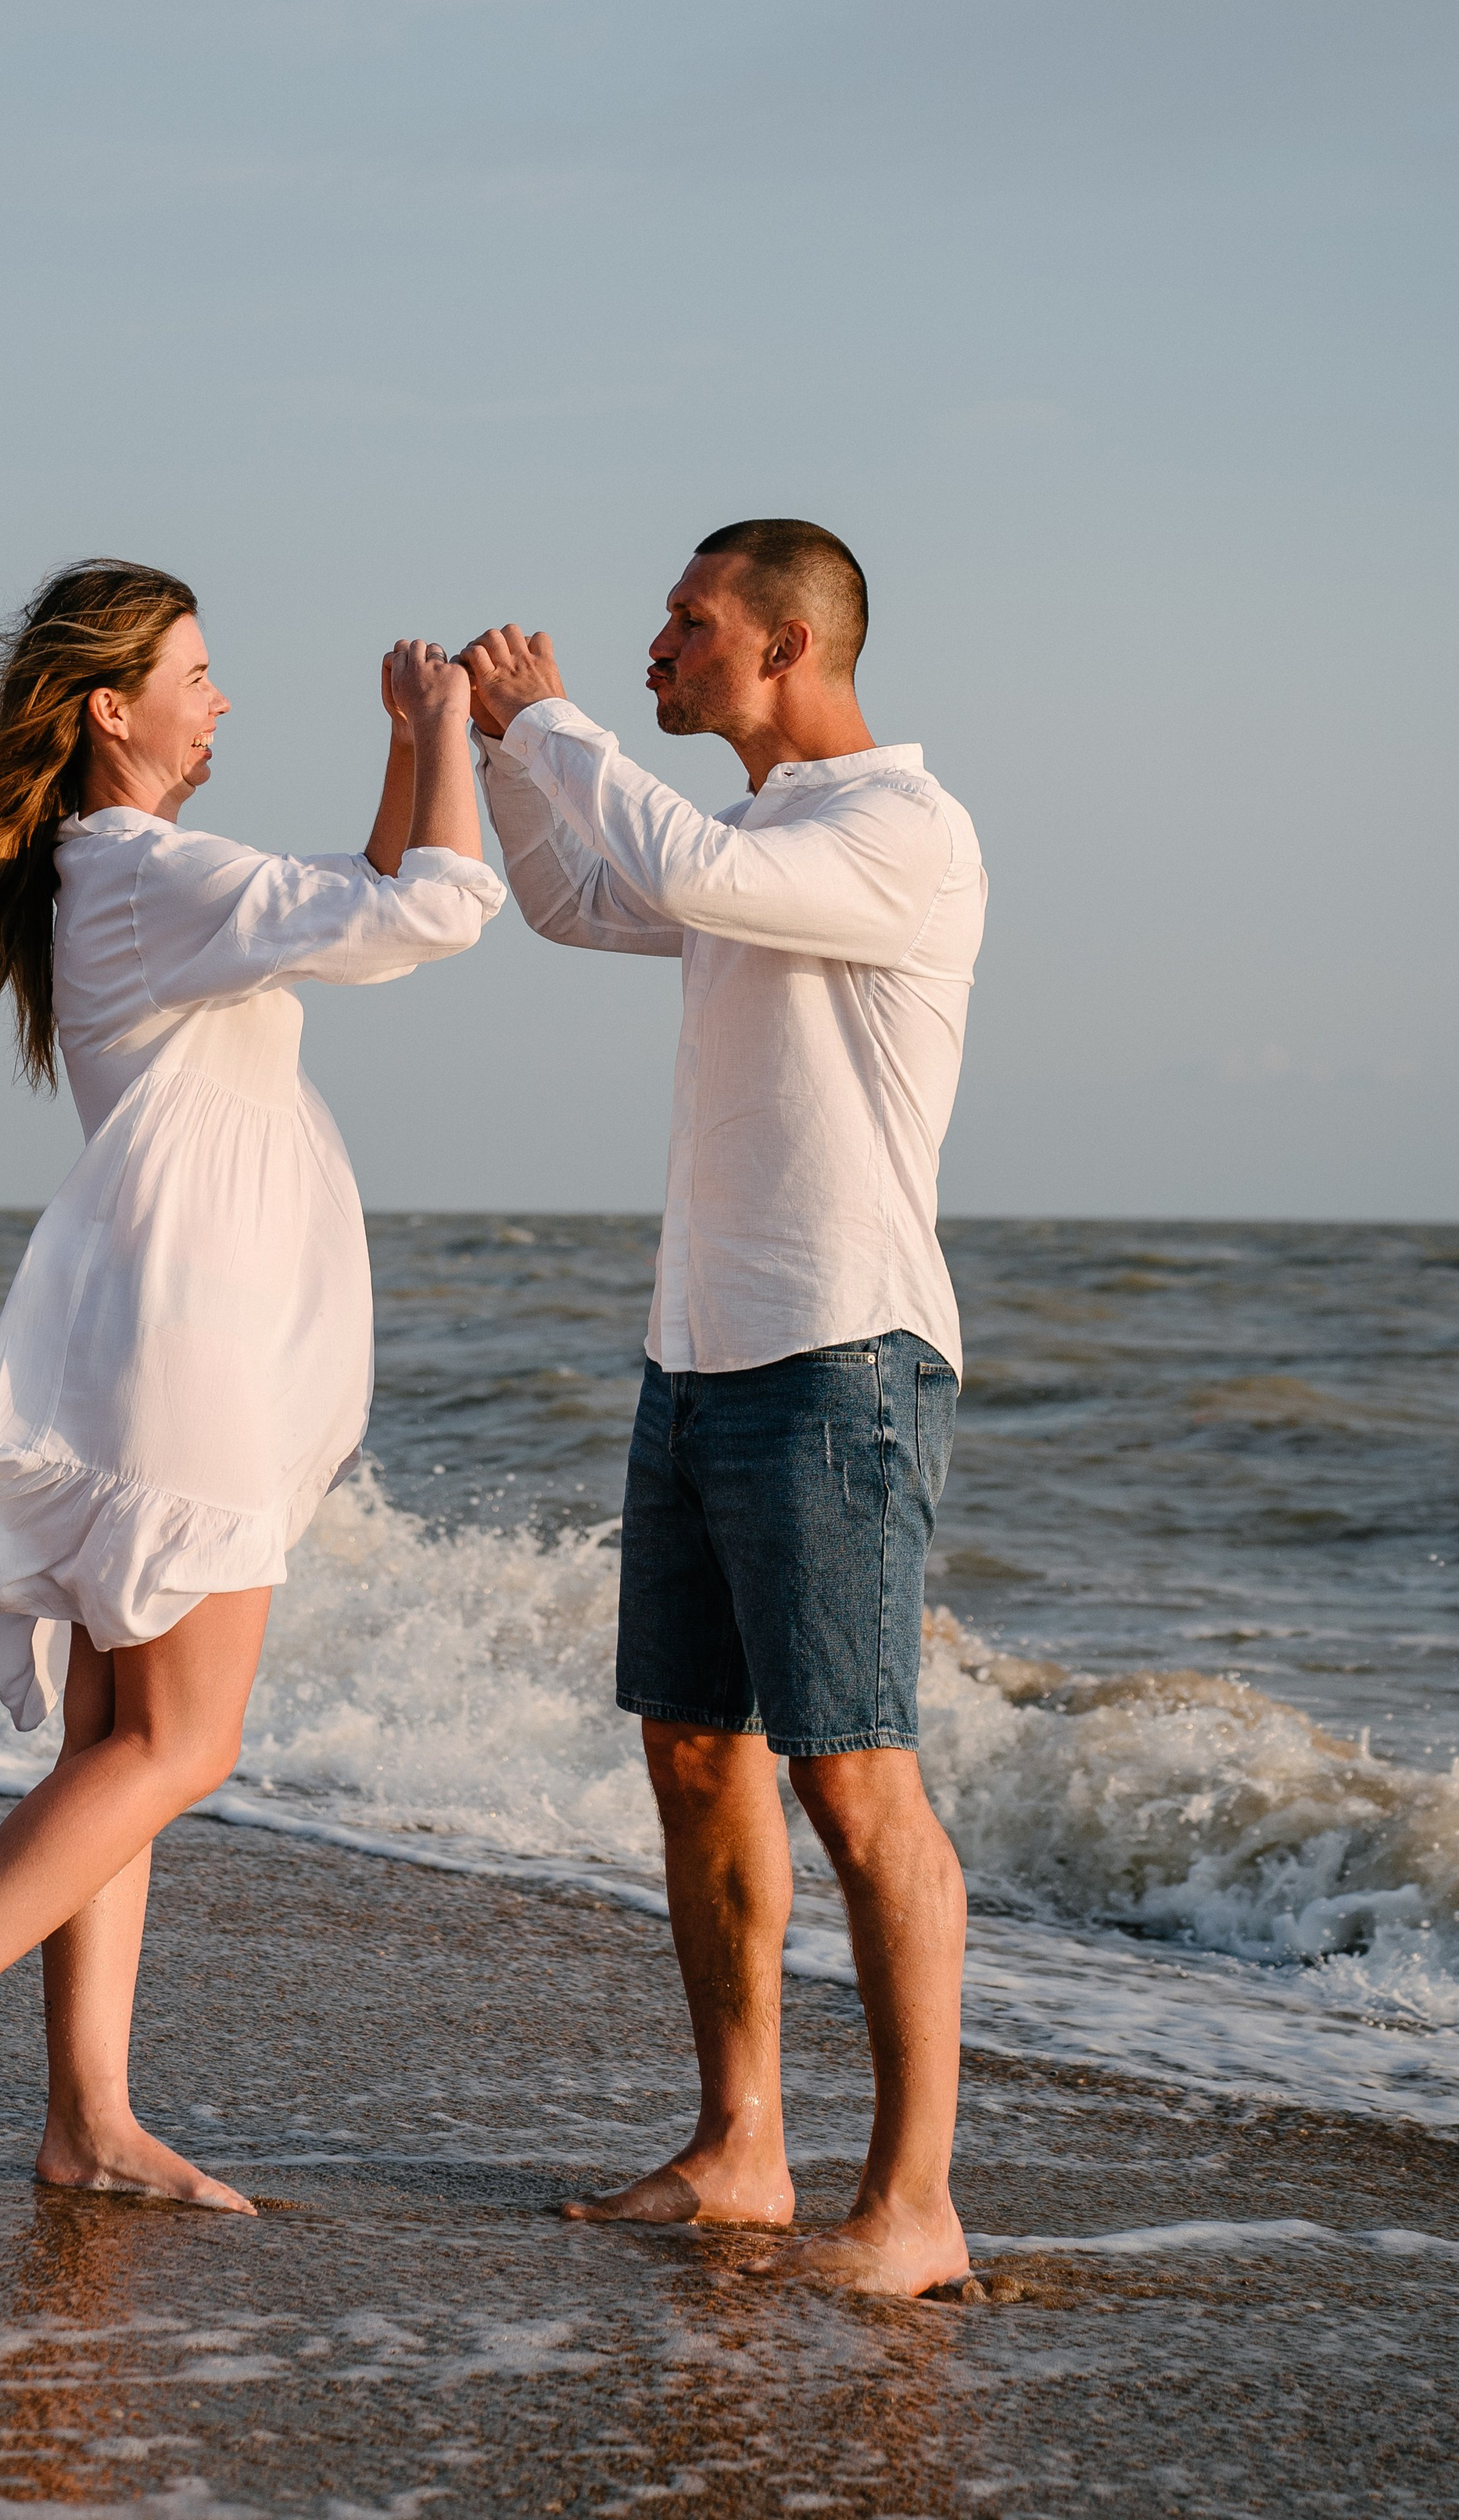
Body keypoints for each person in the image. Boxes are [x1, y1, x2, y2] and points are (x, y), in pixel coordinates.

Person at [0, 560, 502, 2207]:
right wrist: (453, 725)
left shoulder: (132, 874)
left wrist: (404, 745)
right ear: (113, 708)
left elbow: (360, 889)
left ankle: (89, 2122)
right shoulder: (143, 869)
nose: (220, 698)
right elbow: (441, 905)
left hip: (169, 1335)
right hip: (190, 1351)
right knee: (179, 1746)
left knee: (117, 1743)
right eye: (197, 672)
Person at [459, 521, 986, 2299]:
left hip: (839, 1356)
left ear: (785, 645)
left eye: (688, 622)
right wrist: (498, 748)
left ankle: (913, 2205)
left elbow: (673, 863)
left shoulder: (900, 828)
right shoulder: (754, 840)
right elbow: (574, 897)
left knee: (856, 1777)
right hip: (695, 1354)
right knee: (693, 1754)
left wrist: (552, 727)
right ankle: (741, 2151)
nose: (657, 647)